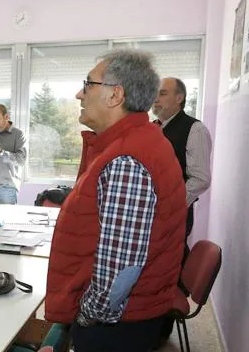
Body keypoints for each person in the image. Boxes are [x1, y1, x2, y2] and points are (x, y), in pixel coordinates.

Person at [45, 50, 187, 352]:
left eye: (88, 84)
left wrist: (86, 316)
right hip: (131, 318)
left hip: (114, 327)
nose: (79, 94)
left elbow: (120, 270)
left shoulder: (127, 159)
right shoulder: (137, 142)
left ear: (114, 95)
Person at [152, 77, 213, 348]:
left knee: (166, 269)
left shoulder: (194, 129)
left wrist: (172, 204)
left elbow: (200, 178)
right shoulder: (154, 128)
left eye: (163, 94)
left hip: (174, 215)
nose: (156, 98)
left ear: (180, 98)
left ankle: (160, 331)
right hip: (150, 214)